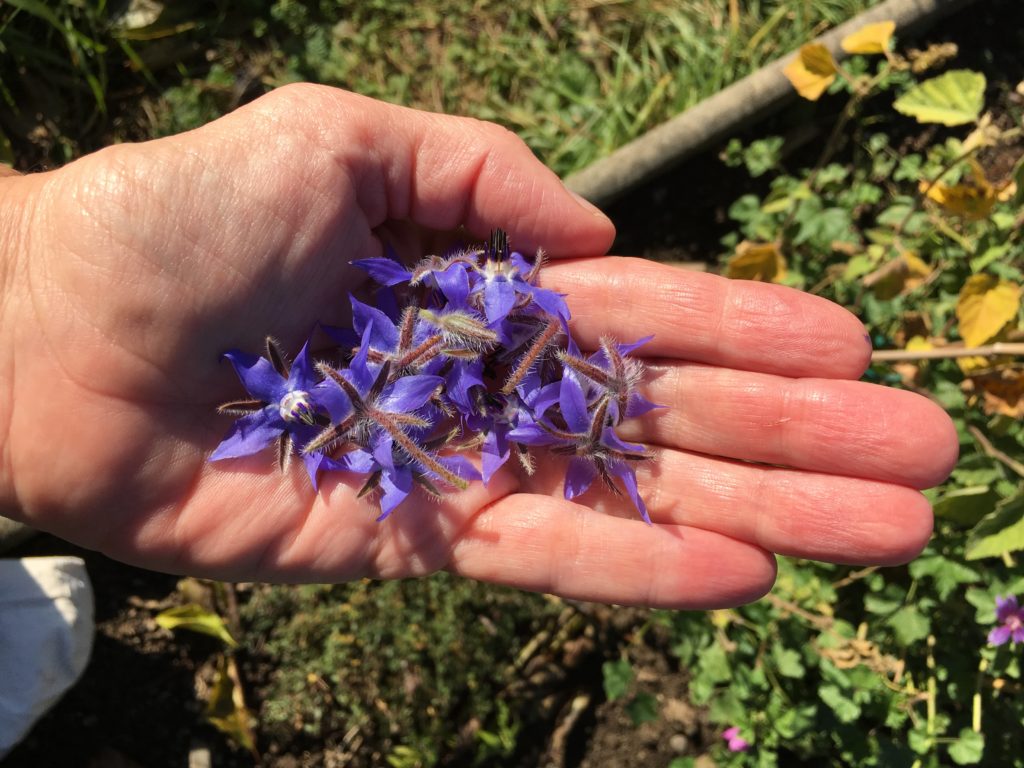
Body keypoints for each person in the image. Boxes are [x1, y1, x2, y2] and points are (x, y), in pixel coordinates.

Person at [0, 84, 958, 610]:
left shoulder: (455, 341)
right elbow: (358, 376)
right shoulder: (359, 362)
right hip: (396, 393)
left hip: (474, 397)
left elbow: (470, 375)